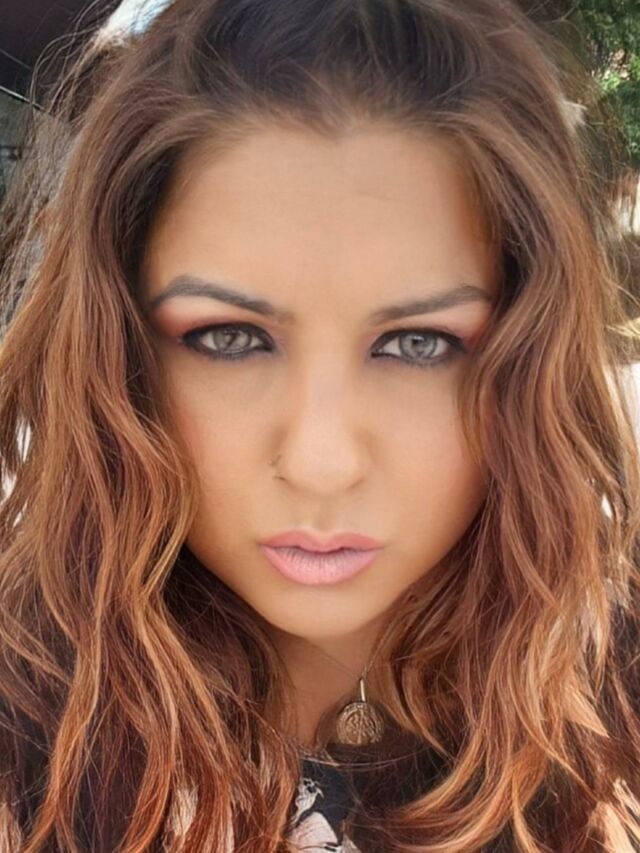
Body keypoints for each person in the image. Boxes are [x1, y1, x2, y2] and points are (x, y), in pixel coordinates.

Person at [0, 0, 638, 850]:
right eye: (229, 338)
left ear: (532, 353)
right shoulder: (26, 715)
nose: (322, 461)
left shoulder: (611, 692)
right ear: (117, 351)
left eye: (418, 343)